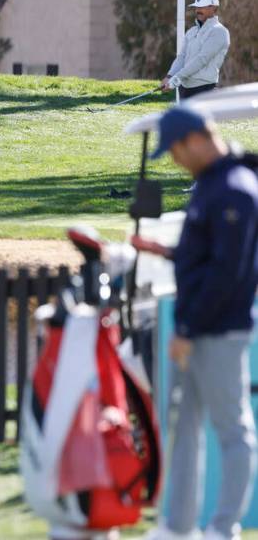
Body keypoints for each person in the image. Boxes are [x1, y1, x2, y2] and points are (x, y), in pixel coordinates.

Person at [132, 107, 258, 540]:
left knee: (232, 430)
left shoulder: (235, 190)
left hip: (219, 330)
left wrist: (187, 330)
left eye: (176, 152)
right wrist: (163, 253)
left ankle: (223, 528)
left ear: (196, 140)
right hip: (199, 324)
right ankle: (178, 527)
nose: (175, 161)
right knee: (184, 426)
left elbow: (228, 274)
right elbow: (203, 257)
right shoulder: (212, 185)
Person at [162, 0, 231, 102]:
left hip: (204, 89)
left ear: (213, 8)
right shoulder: (192, 31)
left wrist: (176, 79)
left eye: (202, 7)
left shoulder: (219, 32)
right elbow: (182, 57)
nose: (198, 10)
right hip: (185, 89)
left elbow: (202, 59)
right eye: (196, 7)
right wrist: (169, 76)